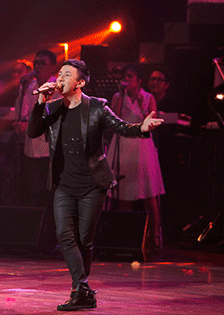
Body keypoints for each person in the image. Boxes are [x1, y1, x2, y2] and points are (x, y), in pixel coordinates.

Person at [27, 59, 162, 311]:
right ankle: (82, 288)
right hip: (63, 185)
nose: (60, 78)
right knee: (65, 236)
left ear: (80, 82)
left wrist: (141, 128)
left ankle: (81, 291)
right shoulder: (53, 107)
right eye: (59, 74)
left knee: (83, 240)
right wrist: (40, 102)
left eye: (67, 75)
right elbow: (33, 131)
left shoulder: (97, 107)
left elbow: (121, 127)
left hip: (92, 184)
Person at [108, 63, 166, 255]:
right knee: (124, 191)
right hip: (123, 143)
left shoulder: (148, 97)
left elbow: (152, 122)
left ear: (139, 80)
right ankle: (126, 235)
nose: (126, 80)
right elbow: (113, 119)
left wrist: (142, 105)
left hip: (141, 144)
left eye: (130, 77)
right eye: (124, 77)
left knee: (148, 191)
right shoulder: (118, 96)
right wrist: (120, 94)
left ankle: (154, 235)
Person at [14, 49, 59, 207]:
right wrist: (23, 89)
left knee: (50, 195)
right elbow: (21, 113)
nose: (37, 66)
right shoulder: (30, 87)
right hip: (31, 148)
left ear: (52, 67)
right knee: (32, 194)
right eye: (36, 63)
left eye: (42, 63)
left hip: (50, 150)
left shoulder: (59, 88)